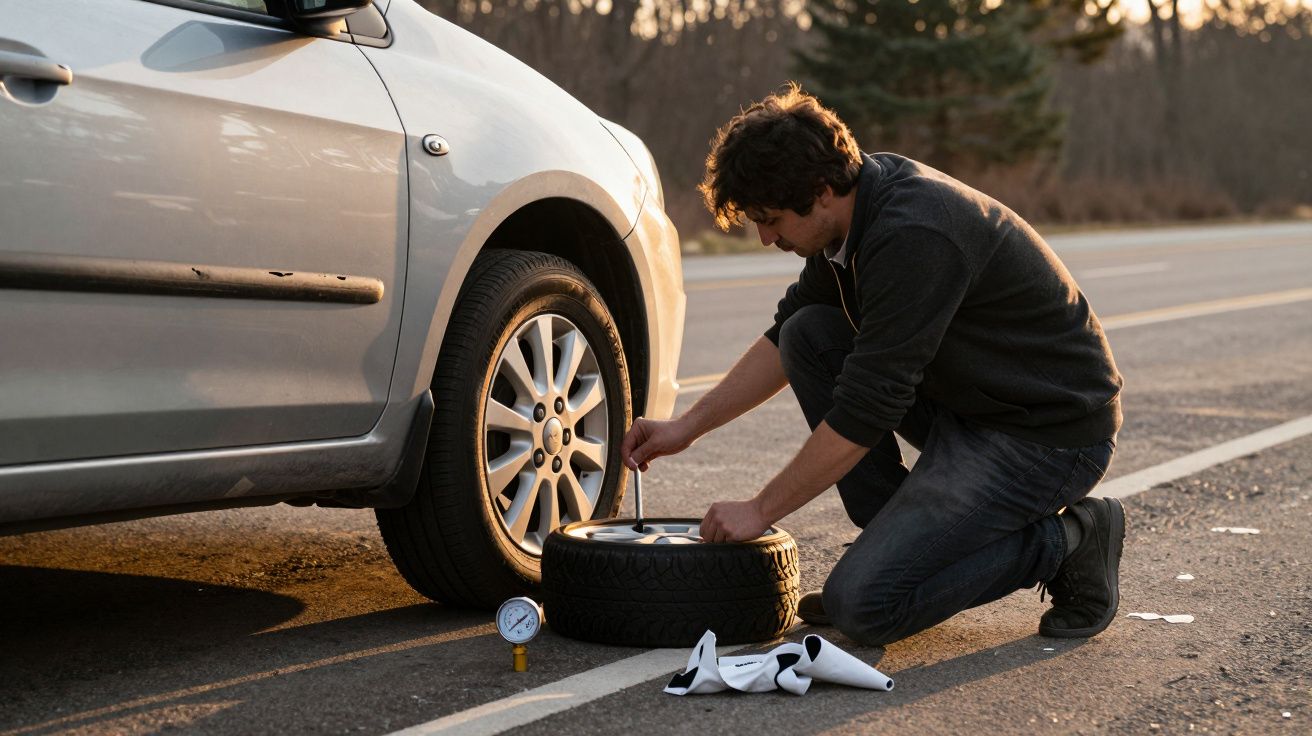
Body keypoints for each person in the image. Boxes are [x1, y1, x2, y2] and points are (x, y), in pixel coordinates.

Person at [620, 84, 1125, 645]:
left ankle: (1071, 540)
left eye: (771, 219)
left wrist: (759, 510)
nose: (766, 238)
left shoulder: (914, 234)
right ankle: (898, 547)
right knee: (806, 333)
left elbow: (866, 409)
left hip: (1045, 436)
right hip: (973, 406)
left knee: (865, 607)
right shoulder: (850, 220)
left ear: (822, 190)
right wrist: (684, 429)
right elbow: (780, 337)